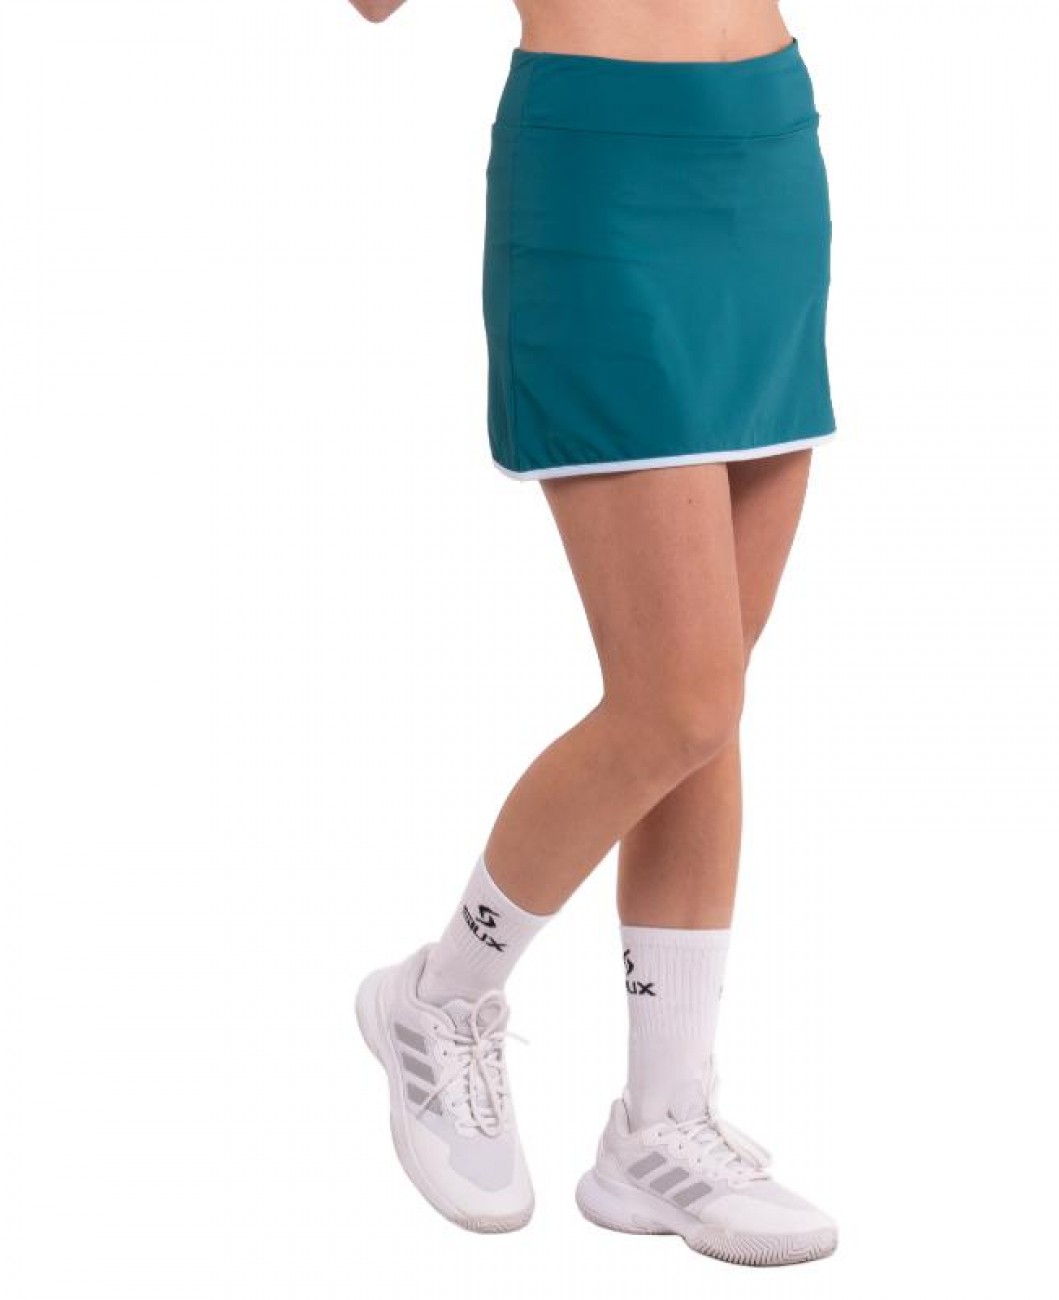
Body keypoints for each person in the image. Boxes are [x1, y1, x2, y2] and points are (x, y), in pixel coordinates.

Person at [349, 0, 838, 1267]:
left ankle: (659, 1123)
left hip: (764, 142)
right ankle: (439, 995)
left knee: (708, 704)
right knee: (678, 698)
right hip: (602, 170)